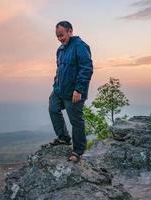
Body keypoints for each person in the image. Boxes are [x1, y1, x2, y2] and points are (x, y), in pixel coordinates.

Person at [48, 21, 93, 163]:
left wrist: (79, 89)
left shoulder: (80, 46)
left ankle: (78, 151)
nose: (60, 38)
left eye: (62, 35)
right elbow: (59, 69)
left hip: (74, 92)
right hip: (60, 89)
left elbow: (86, 68)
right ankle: (64, 138)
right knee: (53, 108)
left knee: (76, 121)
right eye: (57, 36)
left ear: (70, 31)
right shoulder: (60, 50)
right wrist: (56, 84)